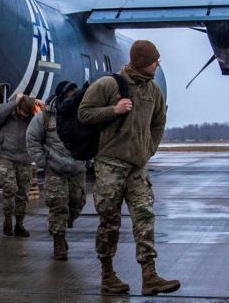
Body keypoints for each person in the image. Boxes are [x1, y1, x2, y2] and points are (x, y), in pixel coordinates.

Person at [78, 40, 180, 296]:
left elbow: (158, 124)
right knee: (109, 221)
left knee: (145, 216)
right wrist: (113, 110)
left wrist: (149, 149)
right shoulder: (108, 85)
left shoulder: (153, 91)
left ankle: (150, 276)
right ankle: (107, 274)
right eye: (154, 60)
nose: (158, 64)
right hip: (110, 164)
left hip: (138, 166)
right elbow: (84, 114)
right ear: (143, 62)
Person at [27, 80, 87, 261]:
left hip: (77, 167)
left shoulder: (82, 114)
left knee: (78, 203)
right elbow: (32, 139)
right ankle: (58, 240)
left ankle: (65, 222)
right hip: (55, 168)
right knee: (58, 204)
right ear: (61, 97)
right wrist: (43, 162)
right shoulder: (45, 117)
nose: (72, 99)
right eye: (69, 96)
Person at [0, 93, 38, 237]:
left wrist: (37, 104)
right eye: (22, 113)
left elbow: (45, 120)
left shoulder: (31, 117)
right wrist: (14, 103)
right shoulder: (7, 113)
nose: (23, 117)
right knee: (9, 189)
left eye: (26, 115)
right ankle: (7, 220)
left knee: (23, 194)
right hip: (7, 157)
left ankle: (19, 224)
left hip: (24, 159)